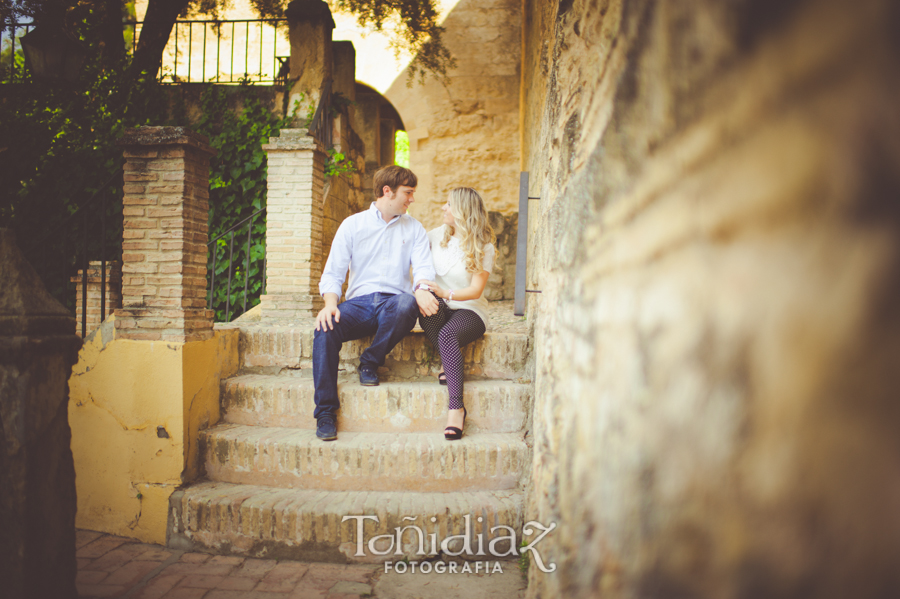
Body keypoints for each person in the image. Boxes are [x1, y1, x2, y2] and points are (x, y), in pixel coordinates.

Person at [313, 165, 439, 441]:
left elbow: (423, 270)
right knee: (324, 328)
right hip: (357, 306)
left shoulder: (414, 228)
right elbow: (333, 272)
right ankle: (325, 413)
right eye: (408, 192)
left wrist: (421, 289)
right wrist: (330, 303)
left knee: (408, 303)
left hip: (394, 305)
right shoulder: (353, 225)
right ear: (387, 191)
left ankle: (369, 361)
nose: (411, 199)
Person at [418, 187, 496, 440]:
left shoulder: (483, 245)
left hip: (470, 310)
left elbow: (475, 290)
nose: (443, 207)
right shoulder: (433, 236)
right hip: (440, 306)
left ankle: (456, 408)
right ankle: (447, 360)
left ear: (463, 210)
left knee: (449, 335)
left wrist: (445, 293)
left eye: (449, 204)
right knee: (426, 311)